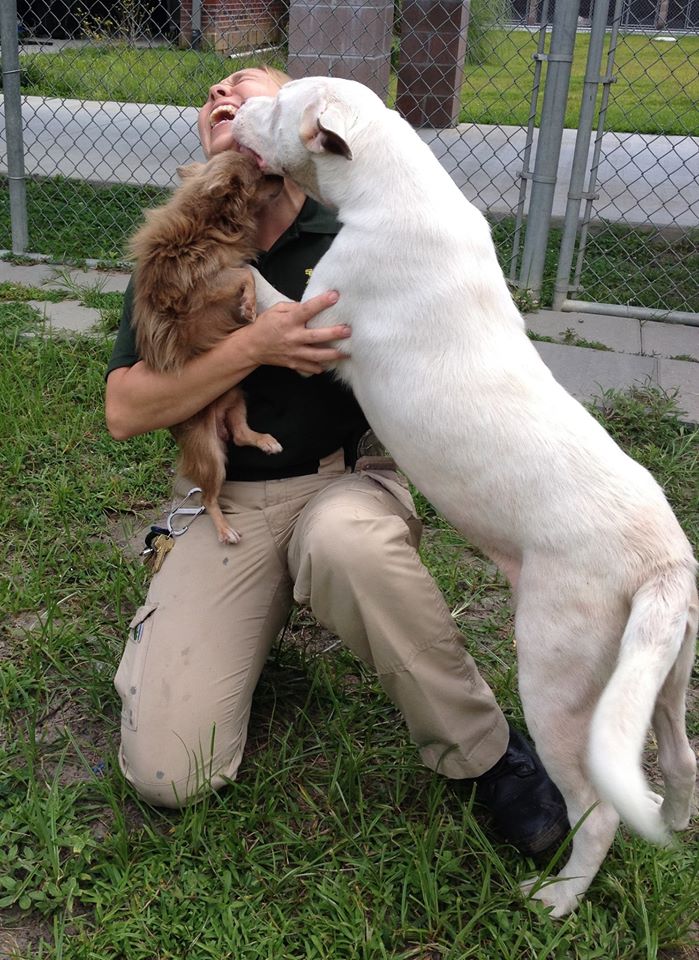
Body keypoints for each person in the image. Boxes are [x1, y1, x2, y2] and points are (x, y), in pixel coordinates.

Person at [105, 66, 569, 856]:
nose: (222, 97)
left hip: (344, 481)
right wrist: (254, 345)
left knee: (345, 545)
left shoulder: (357, 231)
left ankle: (488, 756)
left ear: (298, 129)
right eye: (211, 96)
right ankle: (232, 620)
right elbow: (125, 409)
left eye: (245, 88)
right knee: (168, 773)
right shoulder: (181, 241)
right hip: (232, 503)